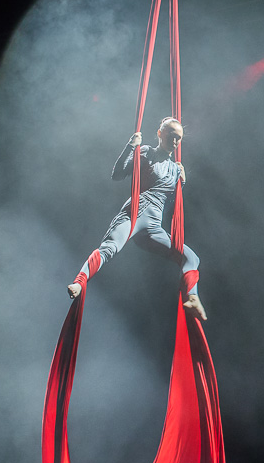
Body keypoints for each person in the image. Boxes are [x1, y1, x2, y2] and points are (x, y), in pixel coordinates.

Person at [67, 117, 207, 321]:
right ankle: (79, 282)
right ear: (160, 134)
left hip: (154, 226)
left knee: (191, 257)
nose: (175, 141)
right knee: (109, 248)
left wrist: (182, 183)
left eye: (178, 138)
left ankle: (192, 297)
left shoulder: (176, 169)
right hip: (135, 212)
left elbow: (170, 204)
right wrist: (130, 147)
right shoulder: (146, 152)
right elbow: (117, 175)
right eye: (171, 135)